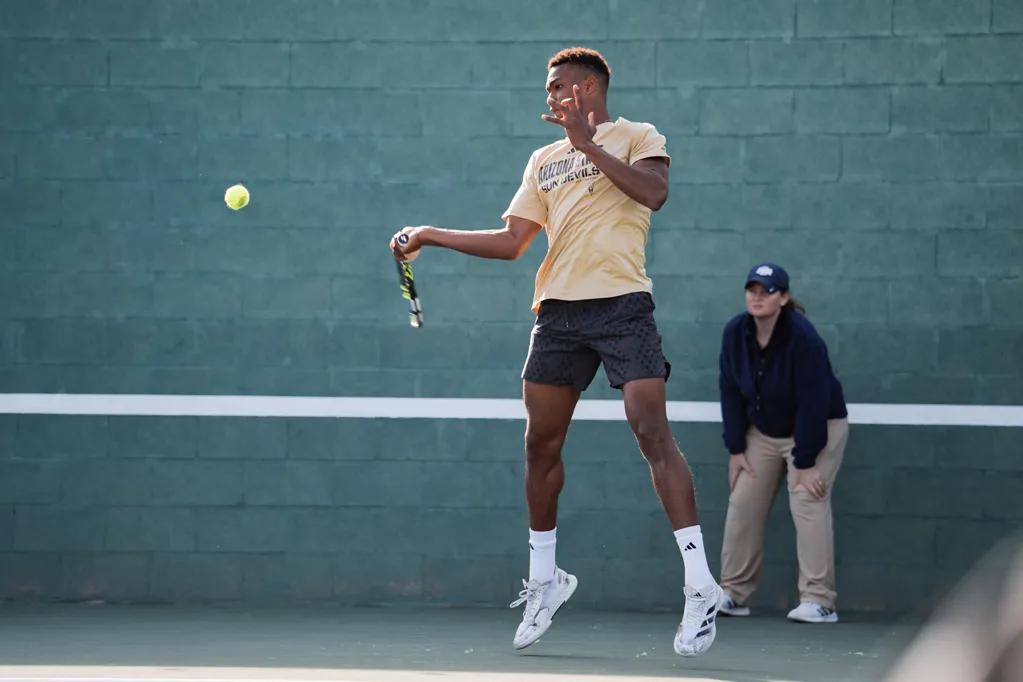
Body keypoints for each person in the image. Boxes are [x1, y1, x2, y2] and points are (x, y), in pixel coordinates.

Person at [389, 46, 721, 657]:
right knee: (540, 444)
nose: (550, 96)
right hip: (559, 315)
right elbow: (513, 242)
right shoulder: (543, 160)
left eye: (560, 86)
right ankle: (546, 578)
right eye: (548, 88)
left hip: (624, 306)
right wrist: (431, 235)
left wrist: (588, 144)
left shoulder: (638, 135)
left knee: (652, 432)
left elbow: (655, 195)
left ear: (590, 87)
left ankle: (700, 584)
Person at [716, 263, 850, 623]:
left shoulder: (803, 338)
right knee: (742, 503)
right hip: (762, 432)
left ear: (784, 298)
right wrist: (736, 449)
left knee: (808, 497)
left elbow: (814, 401)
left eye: (767, 291)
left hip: (817, 429)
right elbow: (729, 390)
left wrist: (804, 462)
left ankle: (819, 601)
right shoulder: (735, 333)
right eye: (752, 290)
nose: (758, 297)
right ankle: (733, 594)